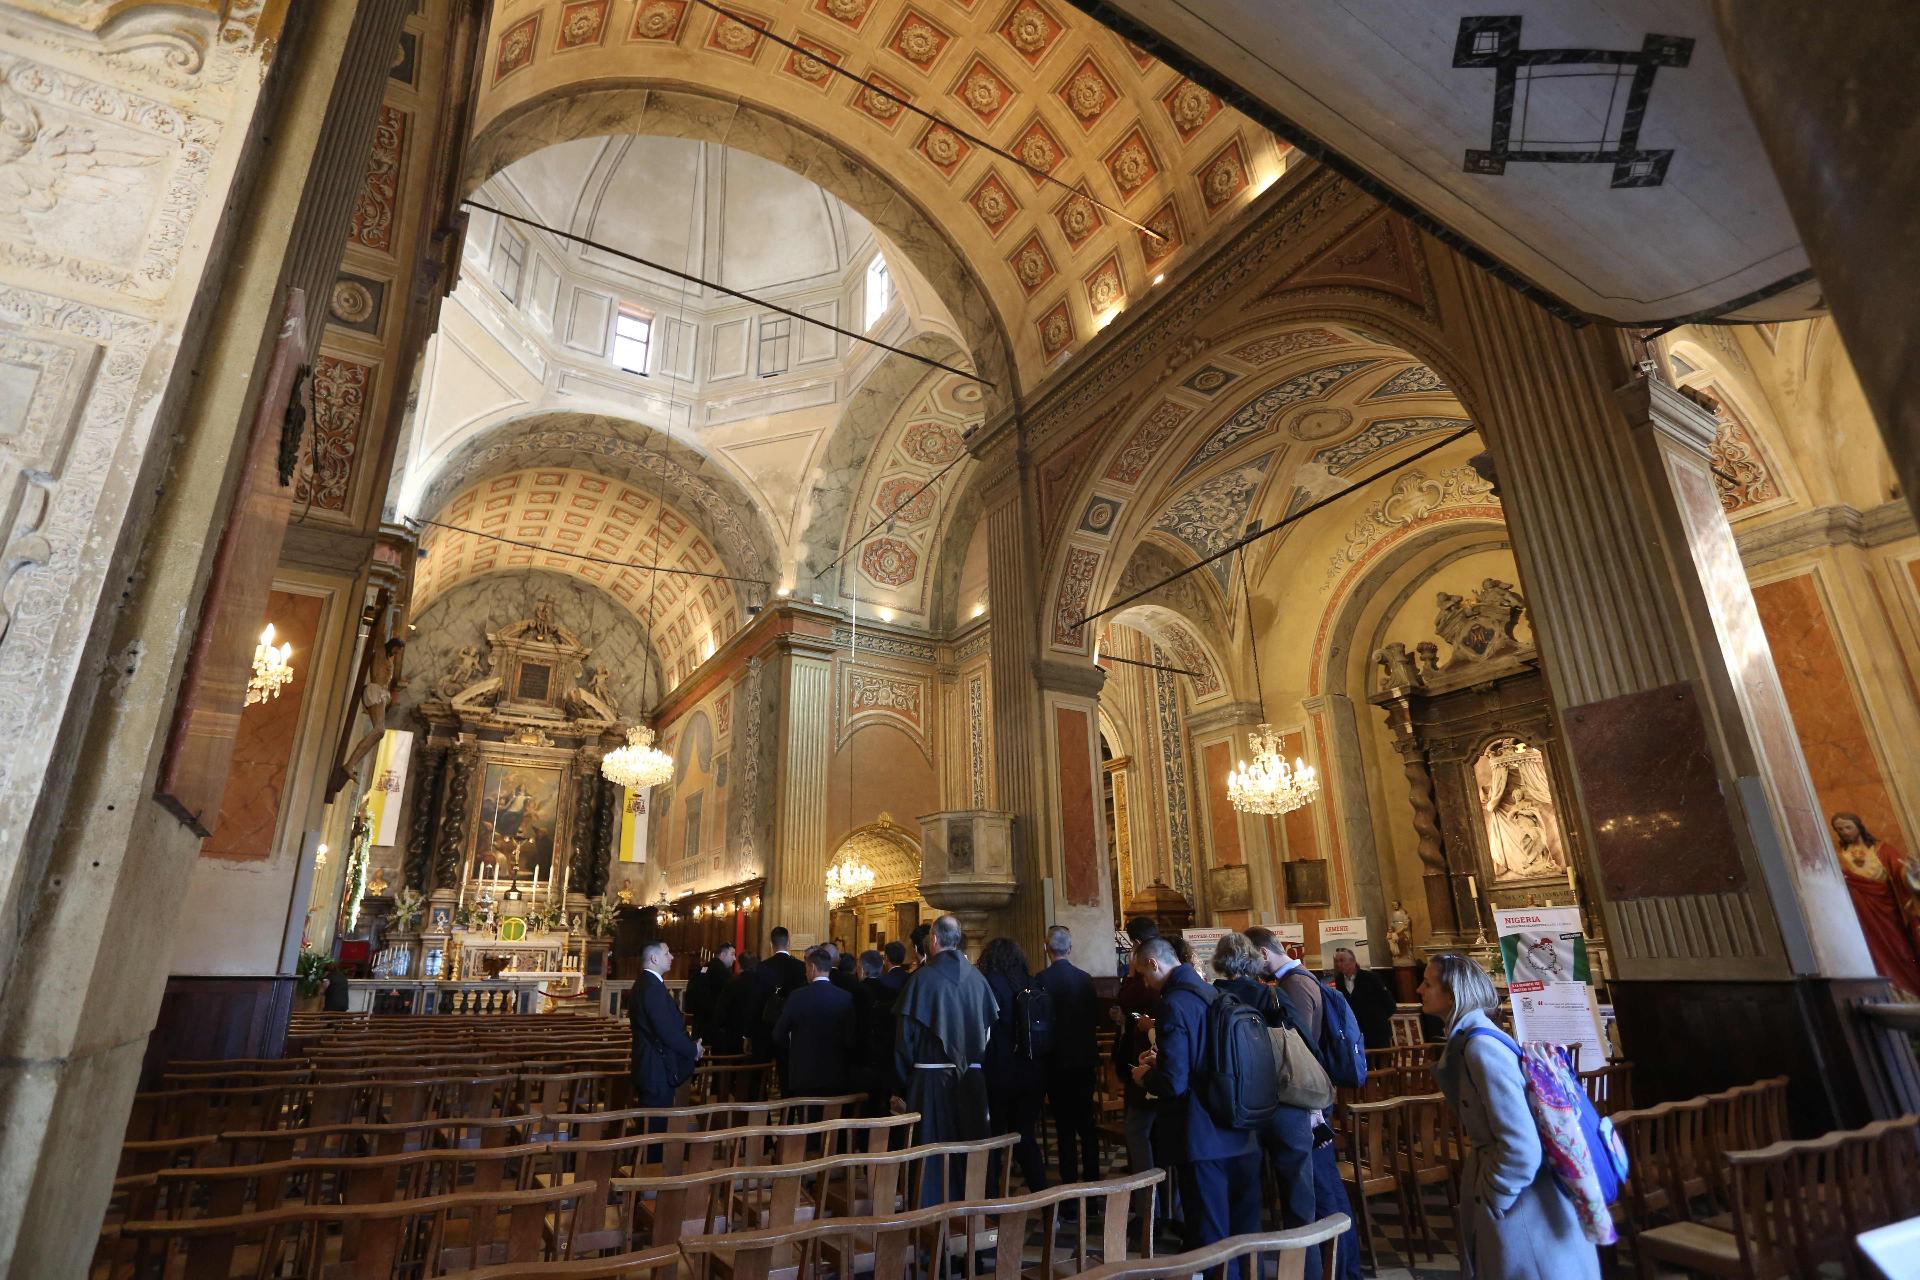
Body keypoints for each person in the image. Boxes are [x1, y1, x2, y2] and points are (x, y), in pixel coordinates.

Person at [1423, 953, 1600, 1279]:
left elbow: (1521, 1146)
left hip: (1526, 1211)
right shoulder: (1472, 1040)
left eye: (1428, 983)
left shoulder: (1481, 1048)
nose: (1420, 990)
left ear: (1452, 994)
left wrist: (1495, 1198)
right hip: (1521, 1203)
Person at [1130, 937, 1260, 1266]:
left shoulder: (1174, 1003)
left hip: (1201, 1134)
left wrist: (1145, 1075)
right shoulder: (1211, 992)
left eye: (1143, 975)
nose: (1145, 983)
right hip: (1237, 1126)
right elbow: (1206, 1056)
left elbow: (1174, 1083)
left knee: (1210, 1237)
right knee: (1242, 1237)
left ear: (1153, 964)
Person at [1250, 926, 1360, 1280]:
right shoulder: (1298, 979)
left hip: (1307, 1103)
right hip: (1309, 1100)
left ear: (1264, 954)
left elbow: (1299, 1052)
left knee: (1322, 1189)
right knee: (1321, 1186)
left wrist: (1312, 1110)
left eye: (1253, 959)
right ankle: (1341, 1268)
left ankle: (1341, 1270)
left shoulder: (1294, 985)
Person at [1211, 933, 1318, 1275]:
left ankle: (1246, 1271)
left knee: (1244, 1202)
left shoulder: (1213, 1000)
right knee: (1299, 1198)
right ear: (1254, 960)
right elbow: (1305, 1047)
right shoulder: (1272, 995)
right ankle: (1306, 1272)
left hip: (1239, 1111)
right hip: (1286, 1104)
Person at [894, 914, 998, 1202]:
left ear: (935, 940)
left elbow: (905, 1039)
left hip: (930, 1082)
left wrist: (904, 1083)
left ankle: (931, 1226)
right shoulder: (978, 978)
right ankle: (975, 1216)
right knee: (970, 1150)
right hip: (972, 1081)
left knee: (932, 1154)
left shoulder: (922, 979)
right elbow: (988, 1032)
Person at [979, 937, 1048, 1191]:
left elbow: (982, 1030)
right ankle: (1044, 1202)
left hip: (999, 1071)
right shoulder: (1031, 982)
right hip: (1032, 1072)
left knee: (994, 1140)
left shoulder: (989, 984)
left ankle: (992, 1208)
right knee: (1026, 1138)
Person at [1036, 924, 1100, 1186]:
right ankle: (1094, 1185)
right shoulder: (1085, 979)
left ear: (1045, 948)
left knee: (1064, 1129)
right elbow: (1094, 1018)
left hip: (1056, 1062)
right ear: (1070, 948)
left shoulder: (1041, 980)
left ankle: (1071, 1189)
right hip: (1084, 1060)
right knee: (1087, 1126)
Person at [1114, 916, 1165, 1243]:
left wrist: (1132, 976)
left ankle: (1150, 1214)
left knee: (1141, 1137)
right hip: (1155, 1070)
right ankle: (1159, 1209)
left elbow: (1129, 1002)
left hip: (1149, 1071)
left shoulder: (1144, 976)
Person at [1832, 812, 1920, 998]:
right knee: (1871, 954)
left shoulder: (1882, 850)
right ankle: (1887, 993)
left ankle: (1910, 991)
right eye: (1840, 829)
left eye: (1848, 827)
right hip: (1861, 917)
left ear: (1859, 826)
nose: (1845, 832)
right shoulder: (1838, 856)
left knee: (1901, 952)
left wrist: (1911, 872)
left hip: (1888, 915)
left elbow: (1901, 872)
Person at [774, 945, 857, 1096]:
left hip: (803, 1073)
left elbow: (778, 1033)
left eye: (806, 967)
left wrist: (795, 1049)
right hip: (834, 1073)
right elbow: (849, 1038)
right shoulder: (845, 997)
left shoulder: (797, 996)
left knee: (807, 1118)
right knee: (830, 1118)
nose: (805, 972)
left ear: (812, 967)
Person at [630, 940, 703, 1111]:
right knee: (655, 1128)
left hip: (650, 1066)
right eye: (666, 953)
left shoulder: (646, 983)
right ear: (654, 958)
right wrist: (693, 1050)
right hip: (655, 1070)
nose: (671, 957)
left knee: (652, 1126)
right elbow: (667, 1032)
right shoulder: (652, 988)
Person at [1331, 947, 1397, 1050]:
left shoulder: (1371, 978)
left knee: (1382, 1063)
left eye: (1342, 961)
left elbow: (1390, 1004)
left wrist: (1378, 1019)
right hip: (1355, 1033)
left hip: (1376, 1031)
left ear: (1353, 961)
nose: (1339, 964)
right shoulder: (1339, 981)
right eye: (1337, 961)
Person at [684, 942, 735, 1043]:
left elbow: (690, 992)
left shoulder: (701, 968)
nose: (734, 958)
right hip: (715, 1026)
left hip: (698, 1022)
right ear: (723, 955)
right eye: (732, 954)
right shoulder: (723, 972)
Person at [712, 953, 762, 1056]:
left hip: (733, 1037)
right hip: (757, 1037)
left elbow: (720, 1012)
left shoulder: (732, 984)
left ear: (740, 965)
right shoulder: (762, 984)